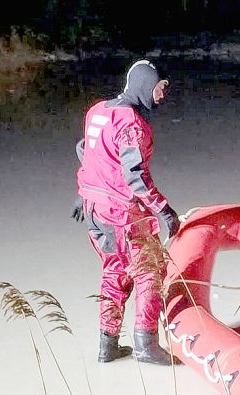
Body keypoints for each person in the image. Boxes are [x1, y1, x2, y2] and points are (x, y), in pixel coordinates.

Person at [71, 59, 180, 365]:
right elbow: (136, 176)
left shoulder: (98, 111)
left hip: (95, 209)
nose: (163, 95)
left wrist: (83, 193)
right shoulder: (132, 124)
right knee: (151, 268)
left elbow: (86, 151)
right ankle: (146, 343)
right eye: (161, 87)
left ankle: (107, 346)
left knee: (115, 272)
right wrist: (164, 209)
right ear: (146, 84)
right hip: (120, 212)